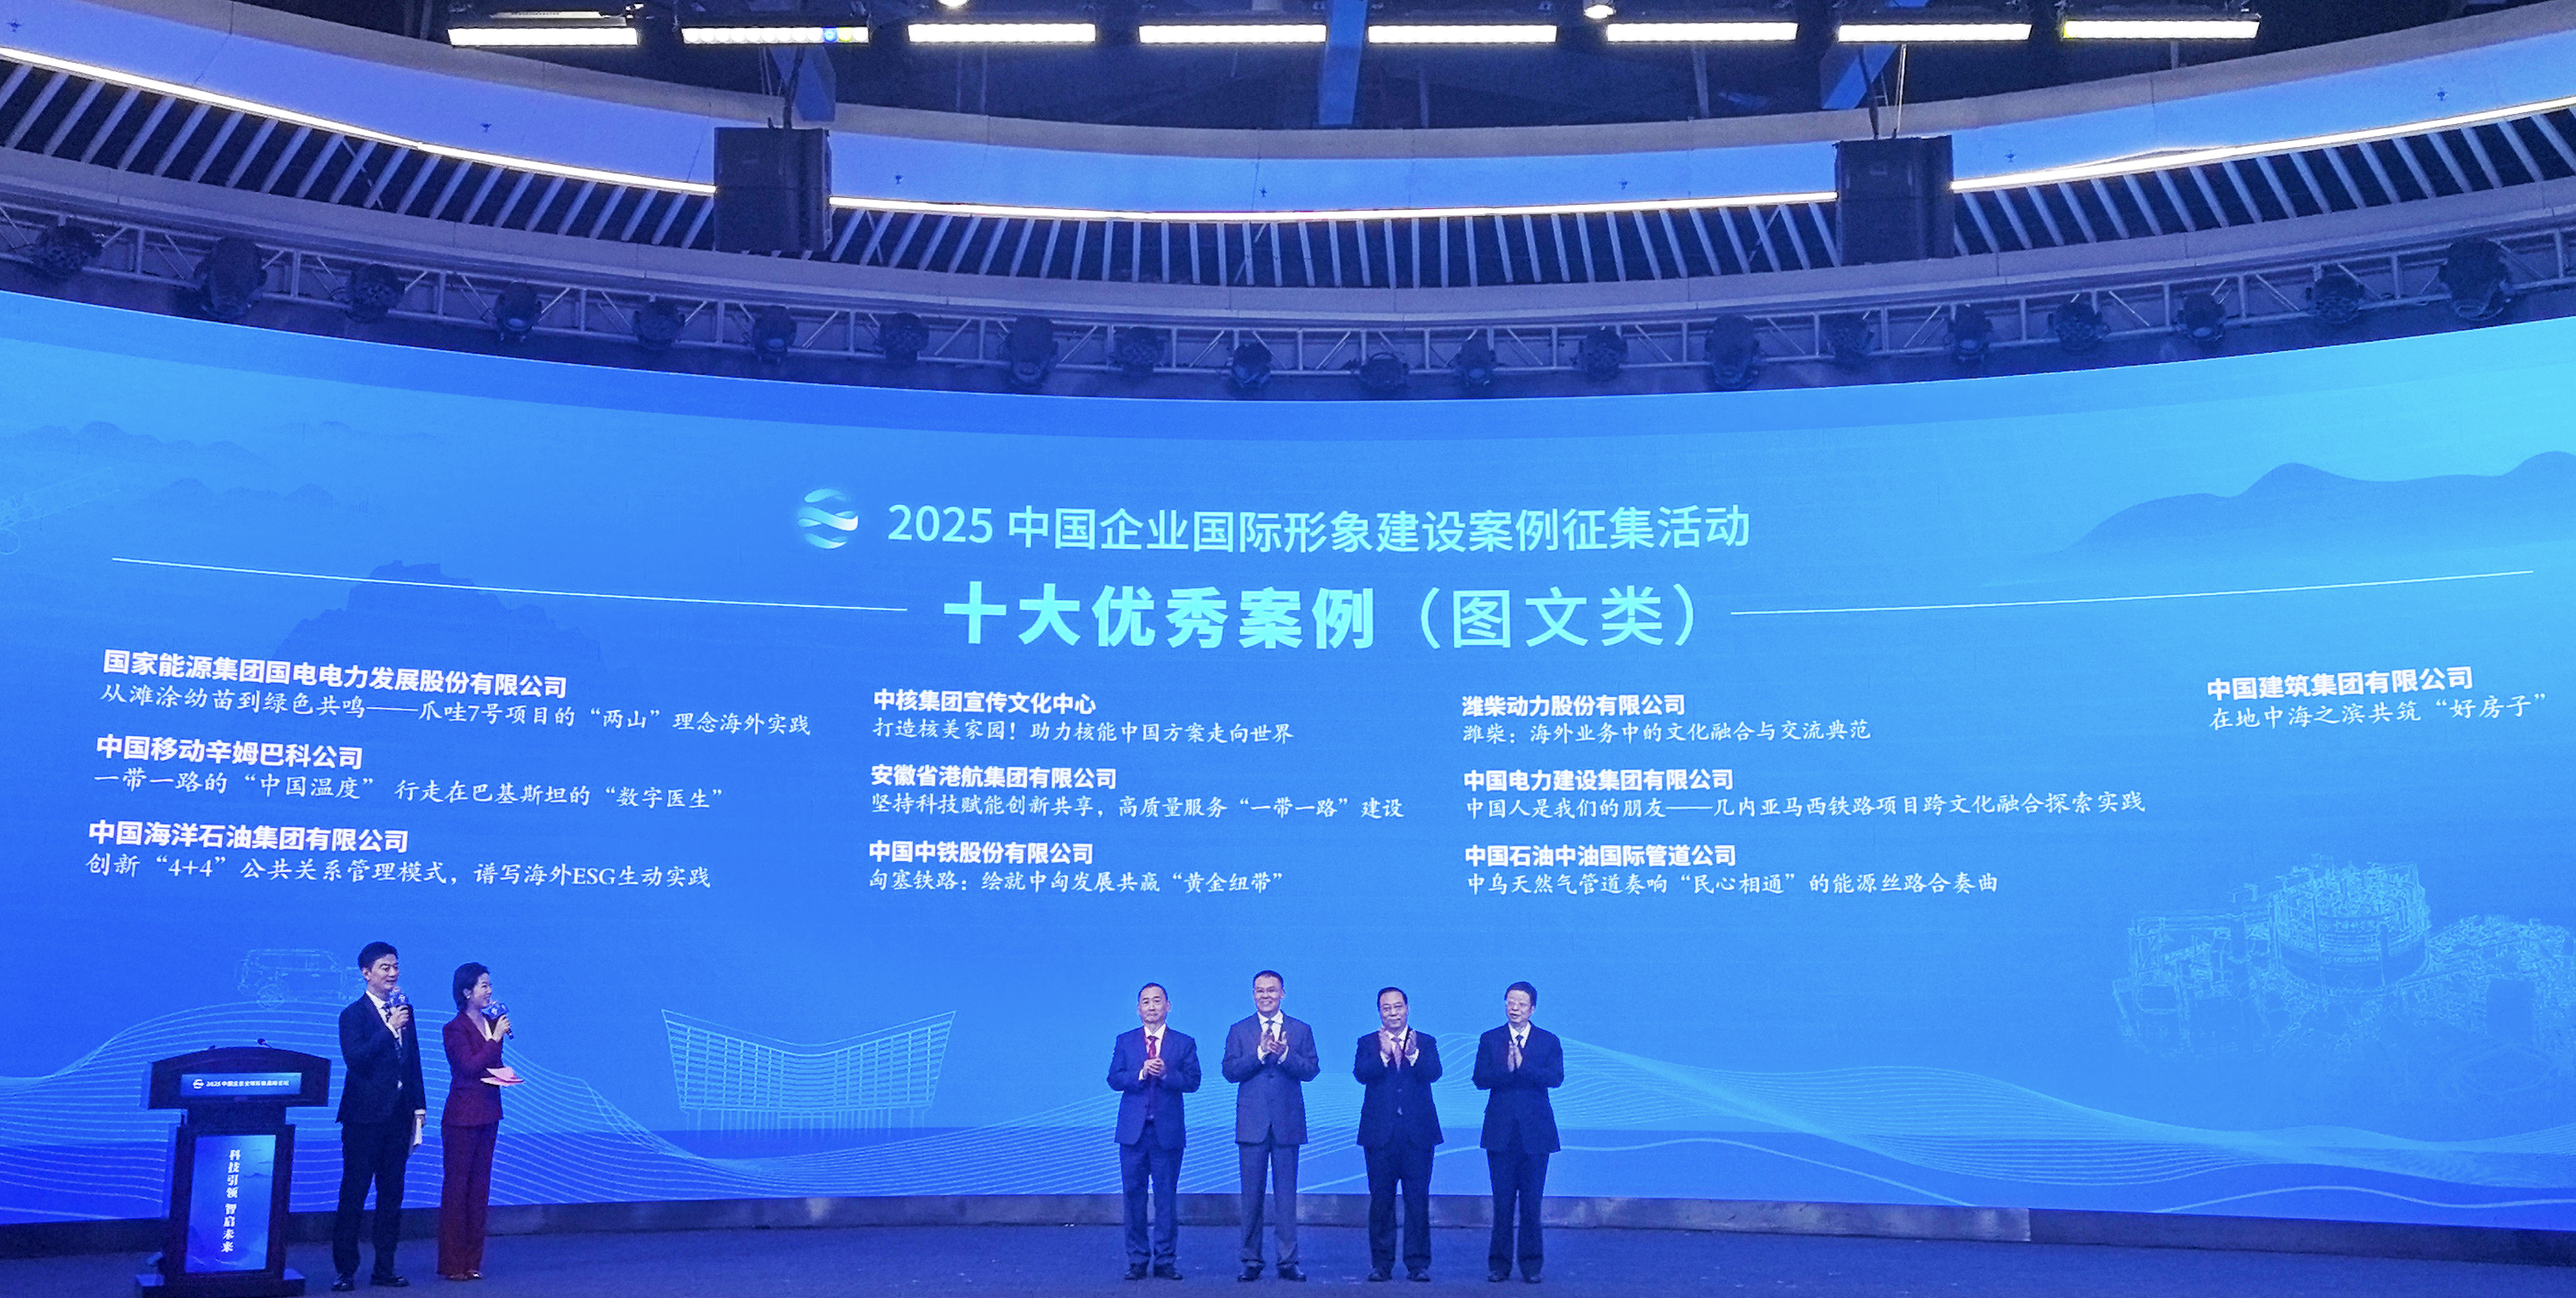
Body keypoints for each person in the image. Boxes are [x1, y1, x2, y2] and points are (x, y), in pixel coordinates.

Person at [334, 941, 426, 1291]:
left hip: (399, 1117)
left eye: (395, 966)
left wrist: (419, 1107)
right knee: (354, 1194)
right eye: (385, 967)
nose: (392, 973)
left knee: (392, 1196)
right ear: (366, 973)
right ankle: (345, 1270)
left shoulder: (404, 1010)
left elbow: (413, 1061)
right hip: (363, 1119)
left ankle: (384, 1268)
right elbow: (355, 1059)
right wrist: (388, 1029)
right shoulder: (353, 1015)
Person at [1221, 970, 1318, 1283]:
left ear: (1282, 994)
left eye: (1271, 990)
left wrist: (1285, 1054)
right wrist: (1261, 1053)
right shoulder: (1239, 1030)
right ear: (1253, 995)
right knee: (1251, 1197)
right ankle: (1251, 1260)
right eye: (1260, 991)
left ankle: (1288, 1261)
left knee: (1287, 1197)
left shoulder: (1300, 1029)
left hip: (1288, 1123)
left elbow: (1311, 1070)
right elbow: (1230, 1071)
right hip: (1252, 1124)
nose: (1266, 996)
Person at [1109, 982, 1200, 1281]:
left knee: (1166, 1199)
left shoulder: (1184, 1043)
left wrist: (1166, 1074)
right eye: (1146, 1002)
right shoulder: (1125, 1041)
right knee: (1133, 1198)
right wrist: (1140, 1073)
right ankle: (1137, 1260)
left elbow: (1193, 1081)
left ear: (1168, 1006)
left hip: (1167, 1134)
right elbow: (1114, 1079)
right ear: (1138, 1009)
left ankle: (1165, 1260)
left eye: (1157, 1001)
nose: (1151, 1006)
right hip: (1133, 1134)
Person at [1472, 981, 1562, 1284]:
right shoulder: (1490, 1039)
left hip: (1536, 1135)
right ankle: (1499, 1265)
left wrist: (1524, 1067)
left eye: (1521, 1004)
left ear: (1532, 1008)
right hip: (1500, 1134)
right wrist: (1507, 1070)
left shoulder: (1548, 1041)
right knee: (1502, 1203)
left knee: (1531, 1205)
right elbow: (1480, 1079)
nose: (1515, 1008)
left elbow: (1556, 1078)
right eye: (1510, 1002)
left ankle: (1532, 1266)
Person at [1353, 987, 1442, 1284]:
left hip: (1418, 1135)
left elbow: (1434, 1073)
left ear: (1407, 1008)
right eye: (1386, 1008)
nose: (1393, 1013)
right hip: (1380, 1135)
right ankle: (1381, 1264)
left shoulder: (1425, 1041)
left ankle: (1418, 1264)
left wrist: (1413, 1054)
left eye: (1398, 1006)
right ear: (1380, 1011)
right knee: (1381, 1202)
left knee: (1418, 1201)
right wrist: (1383, 1054)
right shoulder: (1367, 1042)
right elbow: (1361, 1074)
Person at [438, 963, 510, 1282]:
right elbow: (468, 1067)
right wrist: (495, 1039)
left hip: (488, 1111)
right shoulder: (454, 1029)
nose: (489, 991)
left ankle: (472, 1261)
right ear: (467, 991)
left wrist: (505, 1073)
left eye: (490, 985)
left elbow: (491, 1064)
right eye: (483, 985)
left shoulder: (491, 1023)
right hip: (462, 1117)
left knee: (480, 1189)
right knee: (458, 1189)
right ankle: (453, 1263)